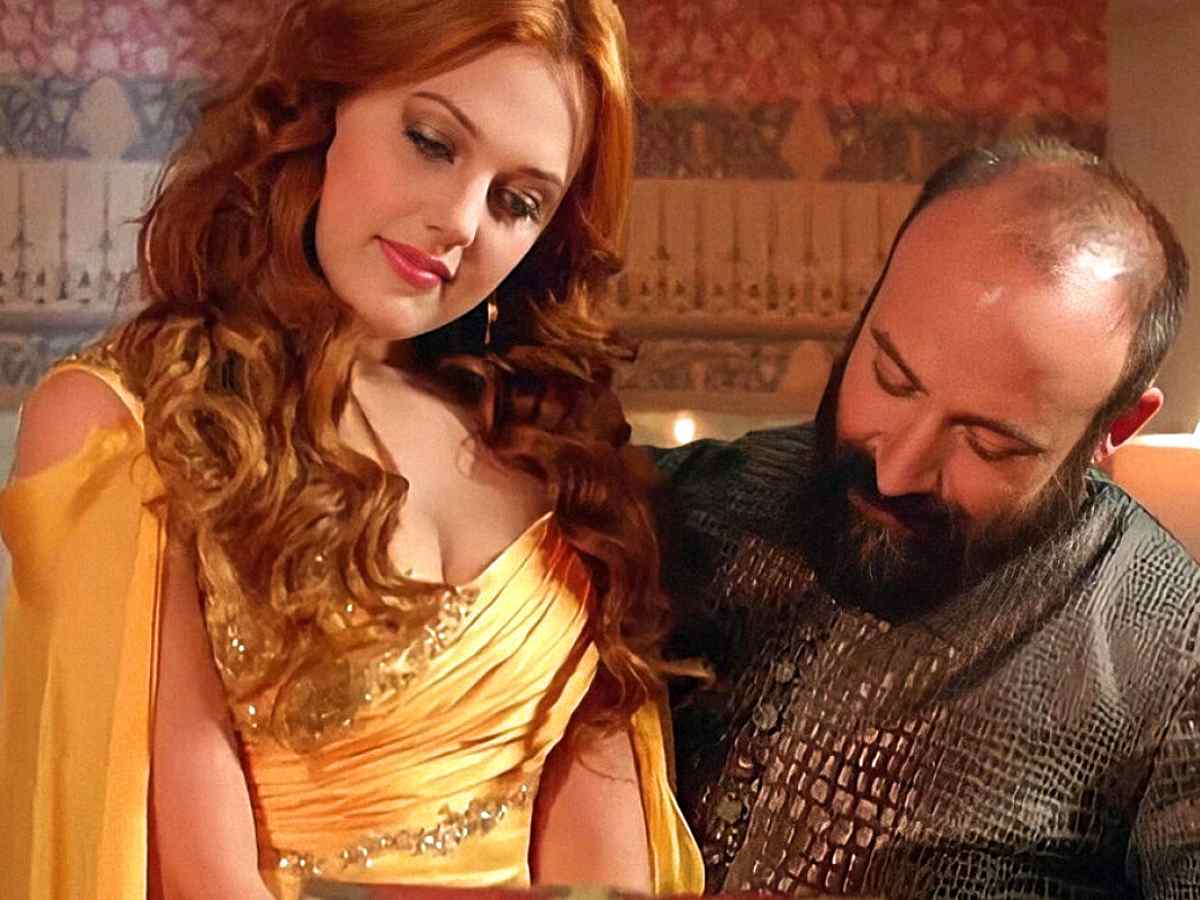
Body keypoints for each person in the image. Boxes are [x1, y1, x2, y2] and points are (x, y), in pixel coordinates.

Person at [0, 1, 705, 898]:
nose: (460, 221)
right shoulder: (131, 425)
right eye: (432, 142)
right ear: (328, 100)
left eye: (517, 202)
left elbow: (609, 879)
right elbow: (190, 873)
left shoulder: (562, 464)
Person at [653, 138, 1200, 898]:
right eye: (892, 378)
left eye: (989, 442)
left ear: (1116, 428)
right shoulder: (686, 502)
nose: (896, 471)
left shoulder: (1173, 658)